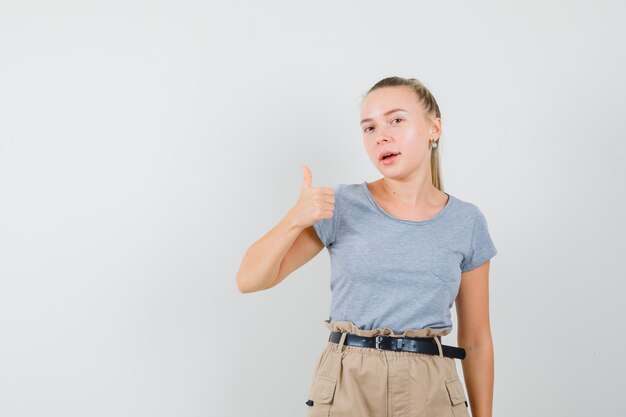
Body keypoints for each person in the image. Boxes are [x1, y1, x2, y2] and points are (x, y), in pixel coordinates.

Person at [236, 76, 498, 417]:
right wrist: (294, 219)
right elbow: (249, 280)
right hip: (348, 383)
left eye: (396, 120)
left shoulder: (467, 221)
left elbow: (476, 340)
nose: (381, 136)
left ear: (434, 128)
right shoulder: (341, 205)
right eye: (369, 128)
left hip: (431, 387)